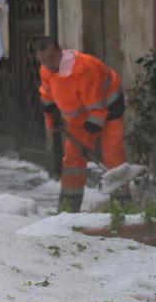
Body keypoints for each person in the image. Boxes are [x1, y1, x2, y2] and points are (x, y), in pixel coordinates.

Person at [36, 37, 127, 212]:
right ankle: (68, 210)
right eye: (43, 60)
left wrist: (87, 142)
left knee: (113, 155)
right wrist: (51, 118)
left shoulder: (84, 70)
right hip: (81, 115)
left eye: (51, 57)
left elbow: (97, 110)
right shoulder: (46, 70)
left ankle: (123, 207)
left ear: (60, 52)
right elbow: (47, 96)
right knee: (72, 159)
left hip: (108, 107)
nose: (48, 63)